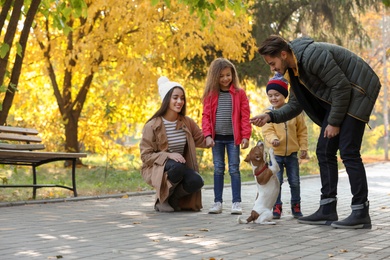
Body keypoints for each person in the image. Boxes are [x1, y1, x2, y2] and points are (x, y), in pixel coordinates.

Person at [251, 35, 381, 229]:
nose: (273, 69)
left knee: (348, 151)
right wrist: (270, 116)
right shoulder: (293, 71)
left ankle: (360, 211)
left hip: (358, 91)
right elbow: (296, 104)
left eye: (273, 63)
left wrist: (334, 122)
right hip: (340, 98)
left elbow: (341, 86)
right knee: (324, 150)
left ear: (284, 54)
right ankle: (327, 208)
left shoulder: (312, 55)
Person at [140, 76, 208, 212]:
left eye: (182, 98)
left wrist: (217, 135)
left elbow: (202, 140)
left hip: (179, 166)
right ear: (166, 100)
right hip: (157, 167)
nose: (179, 101)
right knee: (177, 167)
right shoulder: (152, 125)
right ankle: (162, 200)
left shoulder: (186, 122)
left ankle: (172, 198)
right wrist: (168, 155)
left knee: (197, 181)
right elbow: (146, 156)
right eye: (175, 97)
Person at [202, 58, 252, 215]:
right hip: (216, 139)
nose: (225, 79)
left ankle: (236, 202)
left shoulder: (239, 93)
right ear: (215, 76)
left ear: (233, 75)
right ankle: (217, 202)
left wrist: (245, 136)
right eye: (221, 76)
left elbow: (245, 116)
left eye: (228, 75)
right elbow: (206, 116)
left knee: (234, 169)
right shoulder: (211, 95)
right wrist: (208, 135)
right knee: (218, 169)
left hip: (233, 139)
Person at [262, 73, 308, 219]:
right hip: (276, 155)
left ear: (284, 95)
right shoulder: (268, 114)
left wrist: (304, 148)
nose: (273, 98)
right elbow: (267, 130)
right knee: (277, 182)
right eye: (270, 95)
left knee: (294, 181)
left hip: (292, 154)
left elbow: (302, 131)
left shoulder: (294, 112)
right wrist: (274, 139)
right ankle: (276, 206)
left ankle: (296, 205)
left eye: (277, 95)